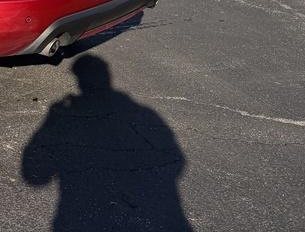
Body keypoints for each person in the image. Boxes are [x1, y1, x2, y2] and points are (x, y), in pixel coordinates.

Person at [21, 54, 193, 232]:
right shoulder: (145, 113)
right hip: (159, 215)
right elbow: (176, 159)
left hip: (77, 215)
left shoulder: (62, 110)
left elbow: (35, 176)